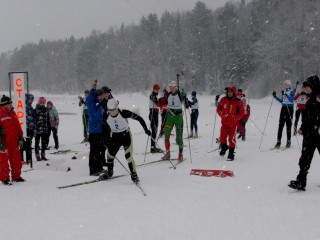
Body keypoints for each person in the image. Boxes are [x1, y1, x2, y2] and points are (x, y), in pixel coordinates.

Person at [99, 98, 151, 183]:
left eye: (114, 109)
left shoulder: (123, 112)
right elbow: (103, 127)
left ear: (117, 107)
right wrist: (104, 139)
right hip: (115, 136)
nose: (112, 112)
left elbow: (139, 118)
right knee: (110, 155)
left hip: (126, 136)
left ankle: (134, 174)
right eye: (110, 110)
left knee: (128, 156)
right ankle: (109, 172)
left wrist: (146, 130)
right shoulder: (106, 115)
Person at [288, 75, 320, 191]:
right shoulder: (311, 98)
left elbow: (313, 117)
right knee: (305, 157)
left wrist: (302, 127)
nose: (305, 88)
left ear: (312, 86)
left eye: (306, 86)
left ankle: (301, 181)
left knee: (305, 157)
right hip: (311, 133)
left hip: (314, 132)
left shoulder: (316, 99)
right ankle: (301, 181)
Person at [0, 95, 25, 185]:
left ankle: (16, 176)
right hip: (3, 143)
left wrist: (20, 137)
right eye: (10, 103)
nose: (11, 105)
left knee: (16, 161)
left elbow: (17, 126)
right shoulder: (0, 113)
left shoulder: (12, 113)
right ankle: (5, 179)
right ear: (5, 105)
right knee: (3, 163)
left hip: (13, 142)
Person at [161, 81, 188, 161]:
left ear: (176, 87)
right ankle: (168, 153)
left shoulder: (179, 94)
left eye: (173, 86)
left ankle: (180, 154)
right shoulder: (168, 95)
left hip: (178, 117)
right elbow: (161, 103)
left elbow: (186, 106)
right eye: (170, 86)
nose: (171, 88)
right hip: (169, 117)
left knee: (179, 136)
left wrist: (184, 98)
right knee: (166, 135)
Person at [216, 86, 244, 161]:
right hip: (224, 124)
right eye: (228, 92)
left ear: (234, 92)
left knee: (232, 139)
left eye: (231, 92)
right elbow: (218, 108)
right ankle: (224, 147)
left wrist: (235, 118)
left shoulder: (238, 101)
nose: (229, 93)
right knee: (222, 138)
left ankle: (231, 153)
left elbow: (242, 112)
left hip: (233, 124)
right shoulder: (223, 100)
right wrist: (222, 114)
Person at [86, 80, 105, 176]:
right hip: (93, 131)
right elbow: (89, 98)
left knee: (99, 150)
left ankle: (99, 167)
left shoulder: (99, 103)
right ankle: (93, 170)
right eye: (101, 95)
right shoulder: (92, 103)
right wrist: (93, 89)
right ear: (98, 96)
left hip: (99, 130)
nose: (102, 97)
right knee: (94, 151)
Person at [272, 80, 295, 148]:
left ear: (288, 85)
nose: (283, 85)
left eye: (284, 84)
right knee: (280, 126)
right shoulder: (284, 91)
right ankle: (278, 142)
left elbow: (291, 100)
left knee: (288, 126)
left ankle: (288, 142)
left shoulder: (291, 91)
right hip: (283, 109)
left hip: (289, 109)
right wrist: (275, 97)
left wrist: (286, 95)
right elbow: (282, 101)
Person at [20, 93, 35, 164]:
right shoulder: (23, 107)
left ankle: (28, 158)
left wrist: (34, 127)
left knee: (29, 144)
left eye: (32, 99)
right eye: (29, 99)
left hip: (30, 128)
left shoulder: (31, 107)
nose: (31, 101)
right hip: (24, 128)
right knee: (22, 144)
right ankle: (21, 159)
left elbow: (33, 117)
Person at [34, 97, 49, 161]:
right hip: (37, 129)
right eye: (41, 103)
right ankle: (37, 156)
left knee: (43, 143)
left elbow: (46, 119)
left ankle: (43, 155)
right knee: (37, 143)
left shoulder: (45, 109)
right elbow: (34, 119)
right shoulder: (36, 109)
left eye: (43, 103)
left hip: (44, 129)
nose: (42, 104)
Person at [149, 84, 162, 153]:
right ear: (153, 89)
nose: (157, 91)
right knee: (154, 131)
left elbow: (158, 102)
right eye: (156, 89)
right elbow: (157, 103)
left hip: (156, 114)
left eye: (158, 89)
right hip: (152, 114)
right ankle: (152, 147)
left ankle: (153, 146)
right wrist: (162, 101)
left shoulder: (156, 95)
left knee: (155, 130)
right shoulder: (152, 95)